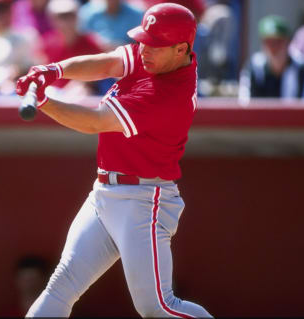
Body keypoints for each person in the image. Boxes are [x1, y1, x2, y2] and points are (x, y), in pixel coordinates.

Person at [16, 3, 212, 317]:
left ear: (181, 49)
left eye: (154, 45)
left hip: (144, 200)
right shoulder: (160, 58)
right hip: (105, 194)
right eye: (144, 41)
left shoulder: (168, 94)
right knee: (61, 285)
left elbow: (94, 122)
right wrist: (55, 70)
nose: (144, 49)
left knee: (158, 307)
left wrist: (43, 101)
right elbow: (108, 63)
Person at [238, 15, 304, 102]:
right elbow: (245, 103)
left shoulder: (301, 67)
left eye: (278, 42)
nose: (273, 48)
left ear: (288, 42)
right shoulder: (254, 67)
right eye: (269, 42)